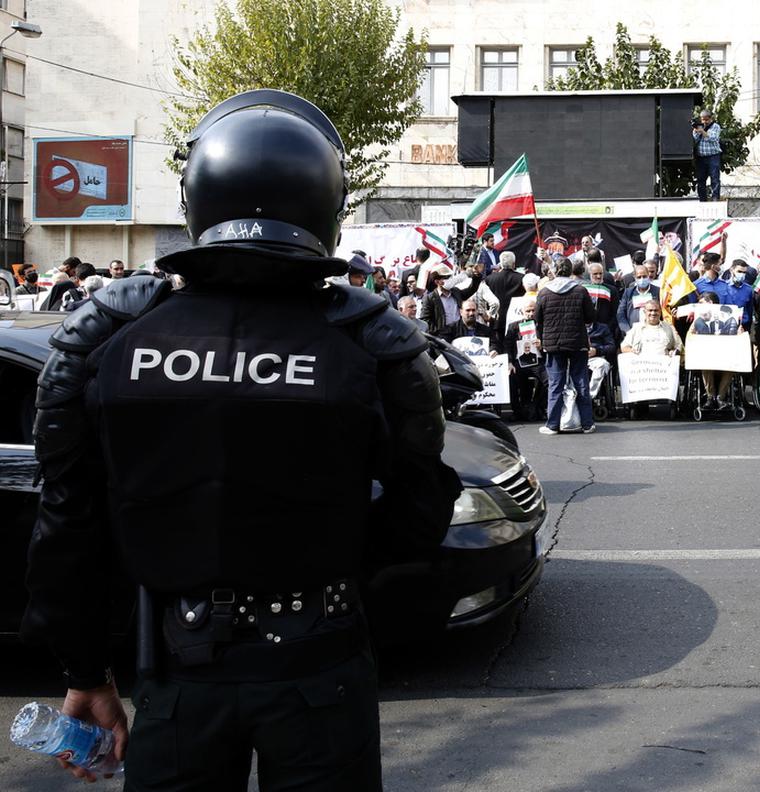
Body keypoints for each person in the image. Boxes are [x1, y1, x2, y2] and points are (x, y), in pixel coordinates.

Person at [22, 89, 461, 790]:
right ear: (327, 202)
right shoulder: (373, 342)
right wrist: (332, 555)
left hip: (179, 669)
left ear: (198, 196)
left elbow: (68, 521)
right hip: (323, 662)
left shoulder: (110, 338)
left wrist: (83, 670)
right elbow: (419, 513)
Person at [536, 257, 596, 434]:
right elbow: (590, 317)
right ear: (571, 271)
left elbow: (537, 320)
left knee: (555, 384)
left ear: (555, 270)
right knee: (581, 383)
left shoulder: (544, 292)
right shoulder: (580, 291)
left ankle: (552, 425)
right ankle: (587, 424)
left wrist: (543, 339)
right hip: (578, 343)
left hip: (553, 345)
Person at [690, 292, 742, 407]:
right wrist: (693, 332)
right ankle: (710, 396)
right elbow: (690, 335)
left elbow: (735, 334)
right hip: (706, 354)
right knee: (706, 365)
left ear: (710, 303)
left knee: (731, 367)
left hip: (724, 354)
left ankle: (720, 398)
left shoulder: (727, 318)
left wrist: (740, 332)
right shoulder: (698, 319)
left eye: (702, 303)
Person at [503, 300, 546, 420]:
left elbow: (550, 343)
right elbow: (507, 345)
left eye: (533, 310)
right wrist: (510, 362)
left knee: (550, 380)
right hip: (519, 362)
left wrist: (542, 345)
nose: (531, 313)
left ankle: (538, 407)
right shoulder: (514, 326)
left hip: (538, 361)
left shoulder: (543, 326)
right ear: (522, 312)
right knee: (510, 378)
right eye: (528, 311)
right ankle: (517, 411)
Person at [482, 249, 525, 340]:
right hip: (516, 321)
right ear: (513, 264)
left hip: (496, 321)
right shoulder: (521, 278)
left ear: (500, 264)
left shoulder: (490, 279)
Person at [692, 109, 722, 201]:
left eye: (706, 120)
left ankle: (715, 198)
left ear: (710, 118)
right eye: (702, 120)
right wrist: (696, 131)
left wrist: (702, 131)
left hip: (713, 156)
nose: (704, 122)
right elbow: (695, 139)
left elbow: (713, 138)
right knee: (700, 180)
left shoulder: (715, 127)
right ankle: (702, 199)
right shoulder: (699, 127)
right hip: (701, 157)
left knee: (715, 178)